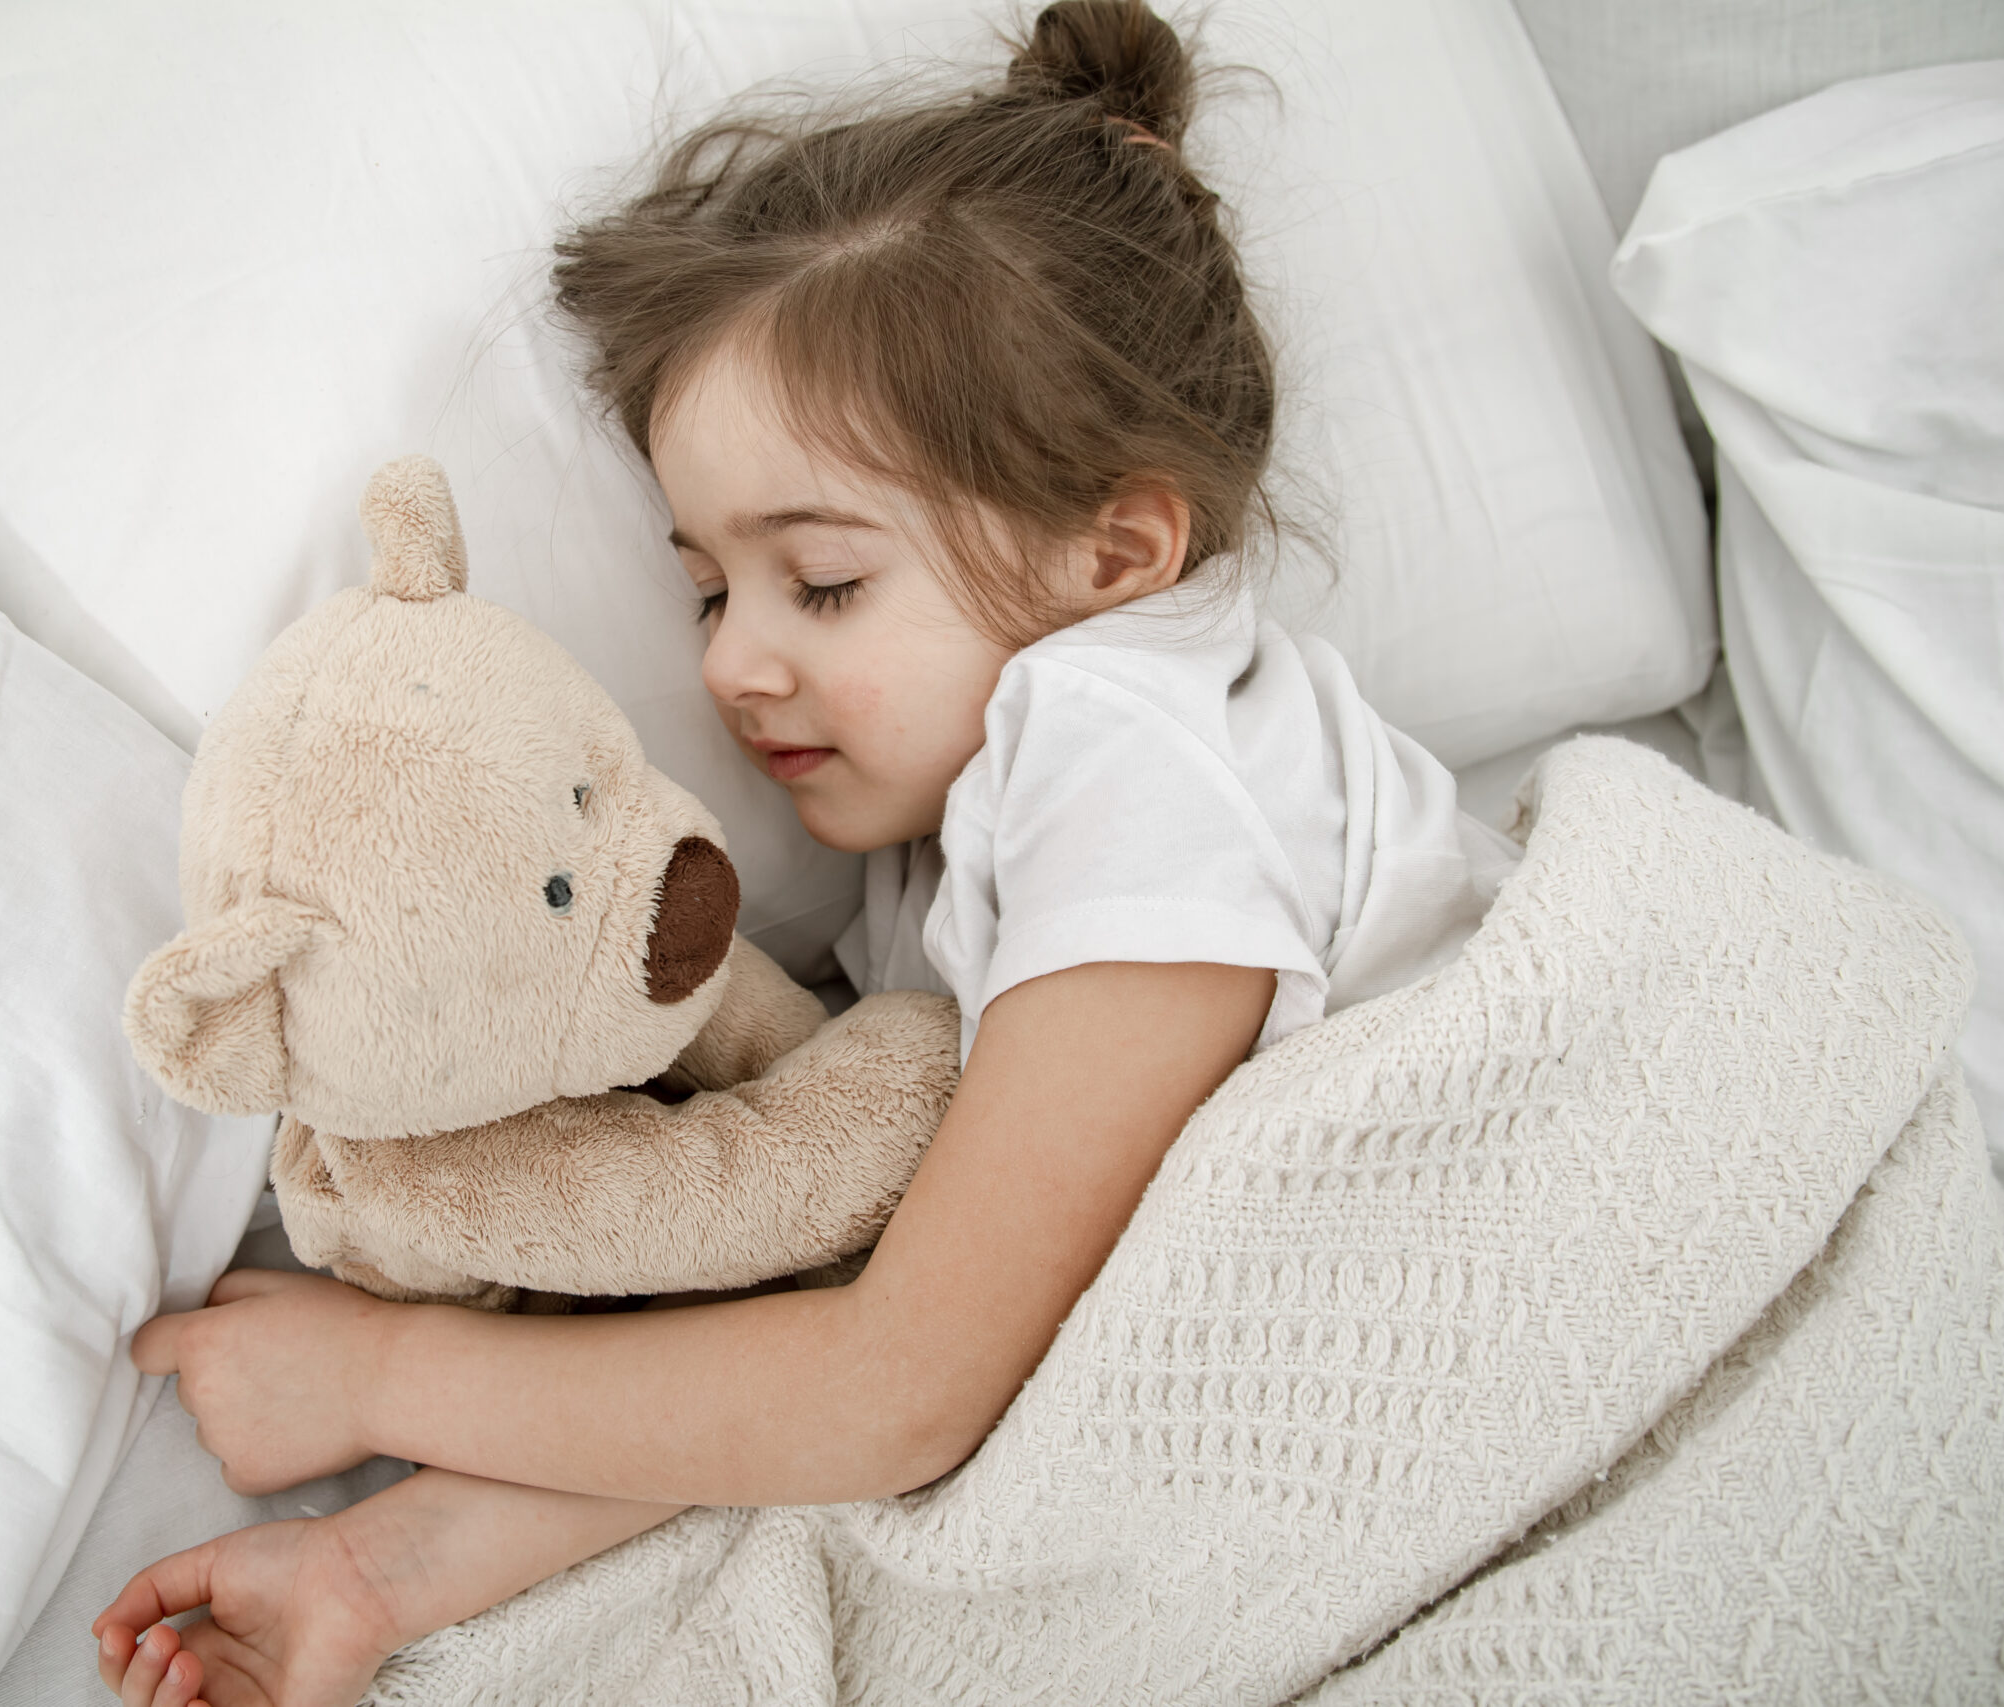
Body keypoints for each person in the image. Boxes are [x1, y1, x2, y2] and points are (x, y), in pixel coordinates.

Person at [94, 4, 1520, 1702]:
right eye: (707, 586)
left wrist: (387, 1376)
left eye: (822, 583)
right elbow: (848, 1323)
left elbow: (897, 1386)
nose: (728, 665)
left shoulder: (1139, 756)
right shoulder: (949, 847)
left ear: (1119, 552)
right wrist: (366, 1570)